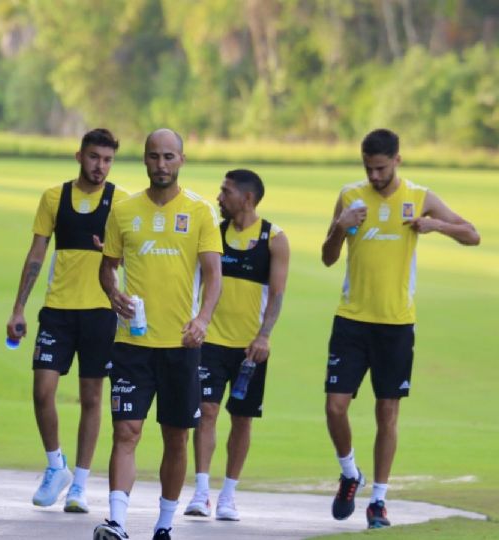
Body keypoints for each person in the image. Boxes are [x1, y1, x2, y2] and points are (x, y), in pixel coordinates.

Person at [320, 129, 480, 529]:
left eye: (380, 168)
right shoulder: (350, 195)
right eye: (368, 168)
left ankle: (378, 501)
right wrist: (340, 225)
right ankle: (350, 472)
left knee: (386, 413)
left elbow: (472, 234)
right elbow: (327, 256)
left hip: (395, 324)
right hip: (352, 320)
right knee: (334, 406)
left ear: (397, 161)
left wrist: (434, 226)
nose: (374, 177)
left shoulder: (420, 197)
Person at [93, 129, 223, 540]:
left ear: (181, 160)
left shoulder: (200, 212)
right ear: (144, 160)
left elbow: (215, 275)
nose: (161, 165)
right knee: (126, 430)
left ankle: (165, 525)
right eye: (154, 157)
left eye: (169, 157)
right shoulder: (124, 209)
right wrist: (113, 292)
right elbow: (107, 266)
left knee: (176, 437)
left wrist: (202, 319)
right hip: (132, 343)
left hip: (181, 346)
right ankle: (116, 521)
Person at [6, 128, 128, 512]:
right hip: (58, 311)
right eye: (94, 157)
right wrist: (18, 308)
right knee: (43, 390)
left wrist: (111, 254)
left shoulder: (121, 203)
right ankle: (55, 464)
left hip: (100, 312)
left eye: (107, 160)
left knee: (92, 398)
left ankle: (79, 484)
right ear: (79, 156)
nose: (100, 166)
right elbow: (36, 254)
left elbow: (132, 258)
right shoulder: (54, 198)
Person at [184, 169, 290, 521]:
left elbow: (276, 295)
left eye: (225, 191)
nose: (218, 197)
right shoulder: (213, 235)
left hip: (249, 349)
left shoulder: (274, 239)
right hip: (210, 341)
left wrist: (264, 336)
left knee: (242, 420)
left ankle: (228, 495)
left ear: (247, 198)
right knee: (207, 410)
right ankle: (201, 492)